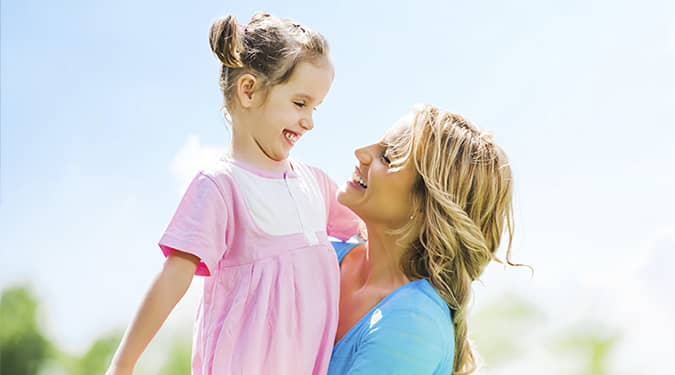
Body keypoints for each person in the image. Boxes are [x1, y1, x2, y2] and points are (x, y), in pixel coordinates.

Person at [105, 12, 360, 375]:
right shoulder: (221, 186)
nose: (310, 121)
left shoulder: (315, 184)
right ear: (249, 90)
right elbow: (173, 278)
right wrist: (123, 364)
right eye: (300, 103)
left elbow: (368, 230)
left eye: (315, 108)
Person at [328, 104, 520, 374]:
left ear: (426, 205)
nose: (361, 153)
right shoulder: (319, 256)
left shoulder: (413, 325)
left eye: (389, 157)